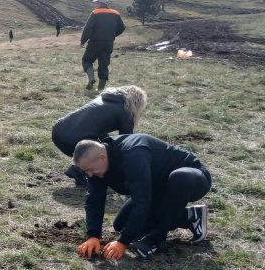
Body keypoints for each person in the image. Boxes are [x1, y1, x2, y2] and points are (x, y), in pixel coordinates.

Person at [73, 134, 210, 259]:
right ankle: (189, 217)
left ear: (102, 158)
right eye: (85, 171)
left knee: (179, 178)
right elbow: (94, 201)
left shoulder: (133, 155)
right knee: (121, 224)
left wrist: (122, 242)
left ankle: (154, 239)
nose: (89, 175)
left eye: (90, 169)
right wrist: (93, 236)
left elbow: (142, 203)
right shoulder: (96, 165)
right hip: (158, 188)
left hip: (193, 178)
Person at [51, 85, 148, 186]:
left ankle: (80, 169)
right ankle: (78, 170)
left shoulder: (104, 98)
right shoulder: (126, 111)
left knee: (103, 144)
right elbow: (127, 142)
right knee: (105, 151)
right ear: (137, 102)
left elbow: (100, 131)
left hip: (57, 130)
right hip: (72, 139)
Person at [79, 0, 126, 91]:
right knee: (104, 65)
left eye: (96, 3)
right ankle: (100, 89)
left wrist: (83, 41)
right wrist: (112, 35)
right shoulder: (116, 13)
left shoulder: (95, 13)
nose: (95, 4)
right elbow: (122, 27)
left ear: (100, 3)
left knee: (86, 61)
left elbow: (88, 28)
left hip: (95, 43)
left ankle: (91, 79)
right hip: (108, 44)